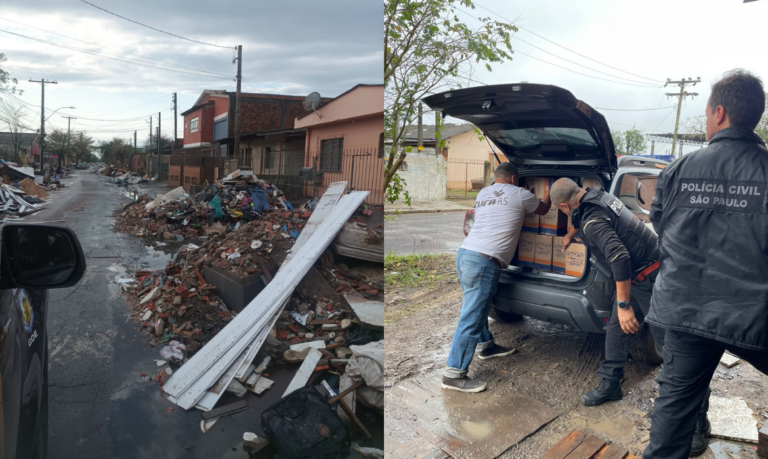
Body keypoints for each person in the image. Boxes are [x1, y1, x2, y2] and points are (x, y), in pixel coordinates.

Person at [643, 70, 768, 458]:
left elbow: (661, 225)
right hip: (754, 315)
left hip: (685, 309)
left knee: (674, 410)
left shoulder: (677, 170)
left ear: (718, 113)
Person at [550, 179, 674, 406]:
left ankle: (686, 406)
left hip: (652, 278)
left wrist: (624, 305)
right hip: (636, 277)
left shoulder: (592, 221)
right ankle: (611, 385)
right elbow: (582, 218)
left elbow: (619, 257)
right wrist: (569, 235)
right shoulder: (596, 196)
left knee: (668, 342)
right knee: (616, 328)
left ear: (564, 207)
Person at [441, 162, 551, 393]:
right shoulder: (520, 193)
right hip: (483, 261)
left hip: (465, 254)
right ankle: (453, 374)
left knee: (477, 308)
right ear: (513, 178)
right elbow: (542, 209)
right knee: (471, 315)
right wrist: (548, 193)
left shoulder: (483, 192)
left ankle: (486, 346)